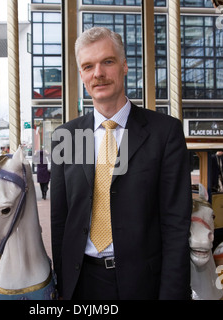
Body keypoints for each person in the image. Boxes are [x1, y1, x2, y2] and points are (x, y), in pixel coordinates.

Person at [50, 27, 192, 300]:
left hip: (143, 285)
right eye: (88, 66)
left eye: (108, 62)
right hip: (81, 284)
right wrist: (62, 284)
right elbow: (61, 221)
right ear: (81, 75)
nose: (98, 73)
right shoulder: (67, 137)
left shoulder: (163, 133)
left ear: (124, 66)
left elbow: (176, 225)